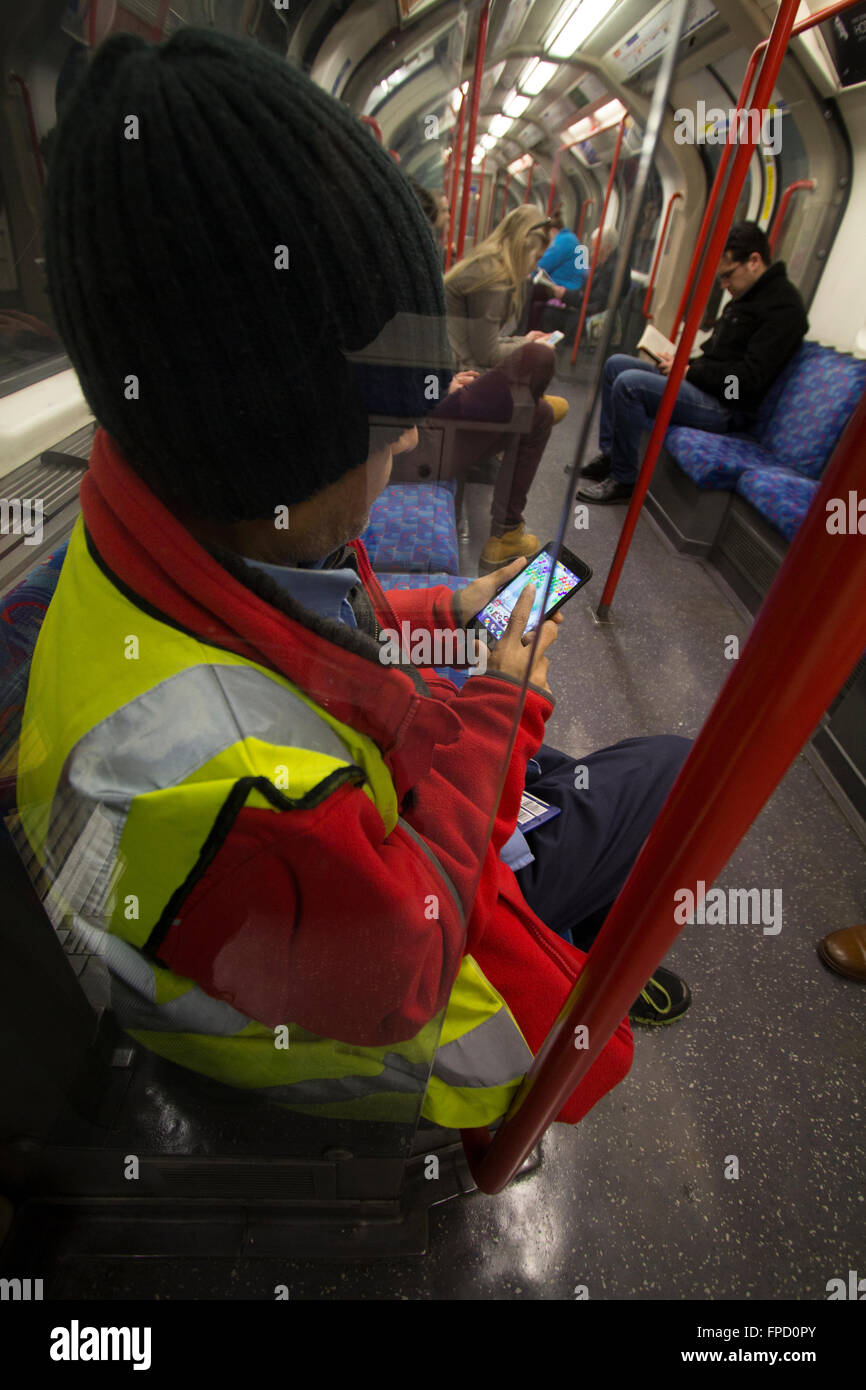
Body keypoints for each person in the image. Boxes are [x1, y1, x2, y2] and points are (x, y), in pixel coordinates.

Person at [19, 30, 693, 1143]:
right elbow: (413, 954)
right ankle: (591, 972)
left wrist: (449, 618)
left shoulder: (169, 526)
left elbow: (311, 632)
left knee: (565, 773)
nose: (404, 455)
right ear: (282, 448)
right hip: (396, 1046)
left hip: (318, 894)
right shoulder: (215, 780)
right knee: (665, 774)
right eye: (385, 433)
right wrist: (503, 696)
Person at [578, 222, 809, 503]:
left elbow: (744, 381)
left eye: (727, 276)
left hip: (726, 405)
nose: (724, 285)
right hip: (706, 387)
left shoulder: (782, 309)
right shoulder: (745, 296)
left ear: (754, 261)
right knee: (615, 365)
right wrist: (681, 362)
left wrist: (689, 372)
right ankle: (611, 456)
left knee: (630, 385)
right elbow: (718, 355)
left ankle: (624, 478)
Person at [440, 207, 570, 566]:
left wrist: (522, 339)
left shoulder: (485, 265)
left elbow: (484, 341)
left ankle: (507, 533)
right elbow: (487, 351)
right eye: (535, 257)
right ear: (524, 246)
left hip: (456, 374)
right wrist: (531, 348)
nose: (534, 267)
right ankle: (506, 533)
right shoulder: (496, 277)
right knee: (540, 364)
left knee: (538, 414)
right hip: (454, 385)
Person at [526, 210, 588, 330]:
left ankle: (523, 332)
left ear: (552, 231)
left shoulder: (562, 241)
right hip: (572, 288)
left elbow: (542, 264)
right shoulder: (571, 238)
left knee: (526, 292)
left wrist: (528, 272)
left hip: (564, 290)